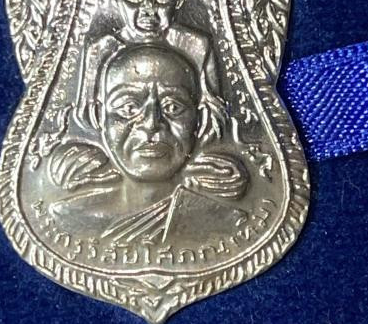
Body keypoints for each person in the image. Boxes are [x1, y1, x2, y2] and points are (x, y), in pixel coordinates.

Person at [48, 44, 247, 242]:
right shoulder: (68, 217)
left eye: (172, 107)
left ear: (200, 120)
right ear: (100, 117)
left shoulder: (227, 222)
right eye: (129, 107)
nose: (151, 123)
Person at [74, 0, 223, 134]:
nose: (148, 8)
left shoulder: (195, 46)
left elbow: (214, 118)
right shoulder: (101, 50)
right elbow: (88, 119)